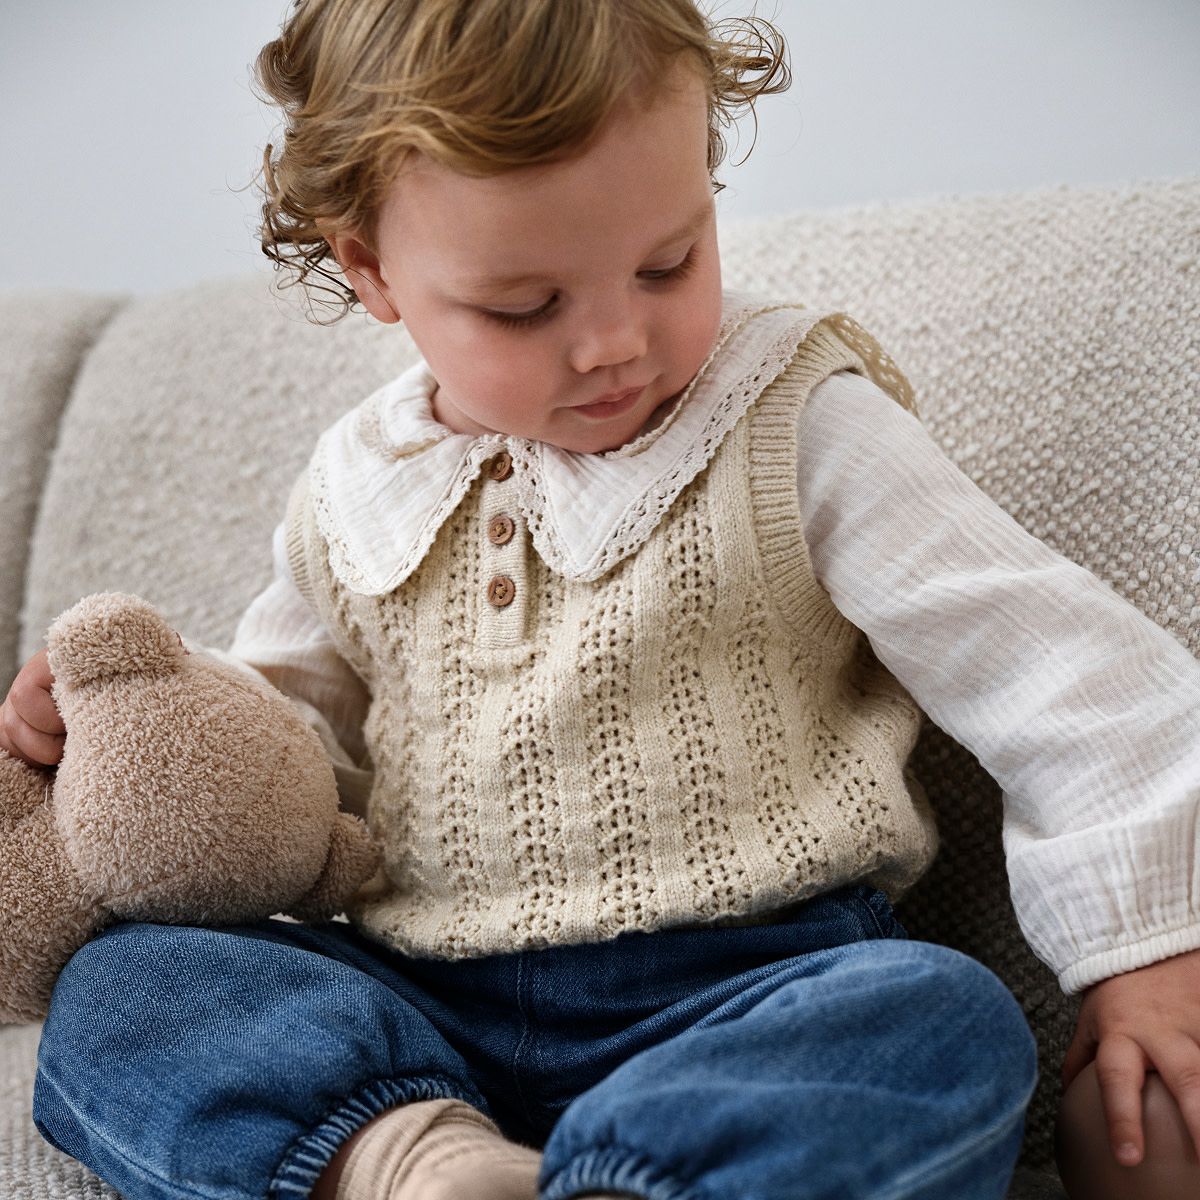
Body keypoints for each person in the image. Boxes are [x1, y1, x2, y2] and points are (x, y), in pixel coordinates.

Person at [3, 1, 1199, 1197]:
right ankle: (408, 1166)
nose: (616, 340)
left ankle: (640, 1179)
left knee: (944, 1019)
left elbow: (1050, 665)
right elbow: (295, 756)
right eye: (526, 308)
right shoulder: (353, 489)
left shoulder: (788, 418)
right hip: (426, 1014)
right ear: (370, 266)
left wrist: (1143, 949)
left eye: (669, 261)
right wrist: (147, 717)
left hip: (750, 991)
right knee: (129, 985)